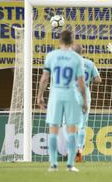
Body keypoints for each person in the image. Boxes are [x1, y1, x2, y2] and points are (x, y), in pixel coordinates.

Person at [37, 30, 87, 172]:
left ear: (60, 40)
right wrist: (84, 101)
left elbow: (45, 78)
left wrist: (40, 95)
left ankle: (53, 164)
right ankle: (70, 165)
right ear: (72, 41)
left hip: (55, 94)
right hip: (71, 94)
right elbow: (81, 82)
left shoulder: (51, 56)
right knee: (72, 130)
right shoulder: (77, 58)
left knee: (53, 129)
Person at [71, 43, 102, 162]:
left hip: (72, 95)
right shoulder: (89, 63)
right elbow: (98, 79)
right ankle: (80, 149)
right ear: (82, 52)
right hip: (85, 96)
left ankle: (72, 150)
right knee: (82, 125)